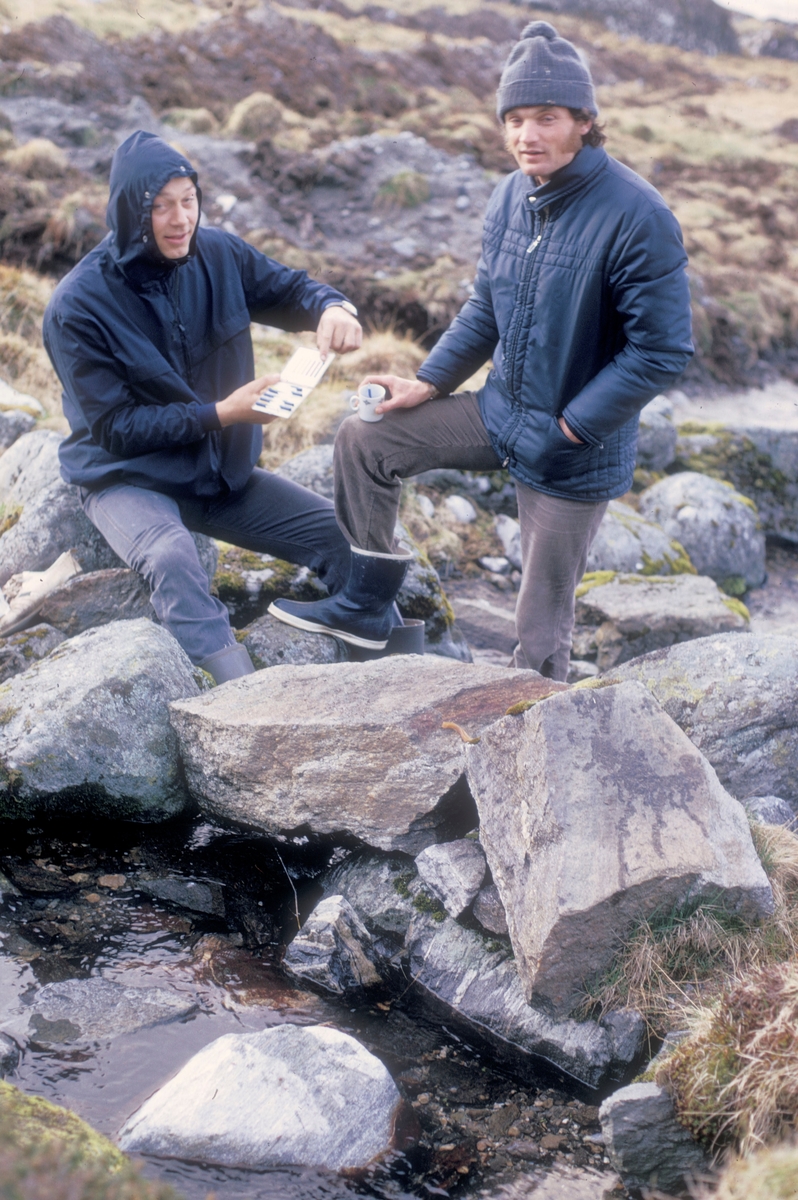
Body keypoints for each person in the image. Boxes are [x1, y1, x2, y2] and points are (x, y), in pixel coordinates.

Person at [270, 21, 694, 680]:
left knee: (538, 636)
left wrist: (571, 428)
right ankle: (367, 607)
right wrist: (430, 384)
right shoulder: (509, 196)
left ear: (585, 120)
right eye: (515, 120)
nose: (527, 136)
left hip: (571, 449)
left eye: (546, 118)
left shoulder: (638, 216)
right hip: (498, 412)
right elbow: (485, 309)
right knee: (365, 438)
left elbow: (663, 350)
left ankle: (533, 734)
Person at [43, 130, 362, 683]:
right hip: (126, 478)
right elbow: (116, 430)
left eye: (187, 200)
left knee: (342, 536)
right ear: (128, 212)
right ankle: (237, 703)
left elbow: (290, 291)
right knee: (171, 557)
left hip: (217, 473)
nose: (179, 219)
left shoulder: (218, 252)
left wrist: (332, 306)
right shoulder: (77, 305)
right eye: (160, 207)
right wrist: (222, 414)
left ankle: (404, 677)